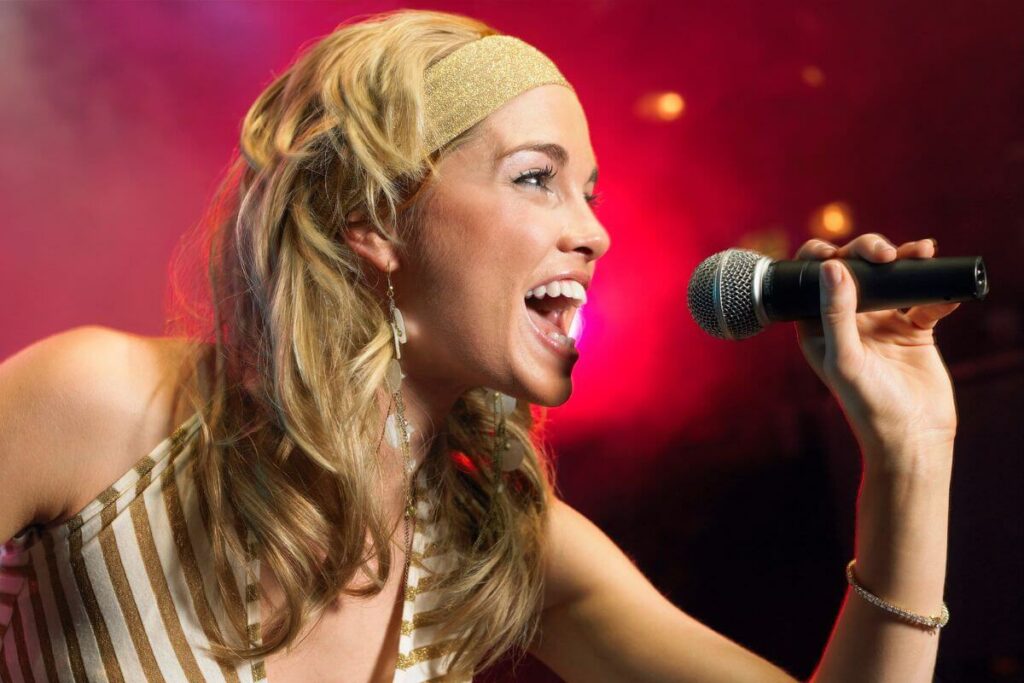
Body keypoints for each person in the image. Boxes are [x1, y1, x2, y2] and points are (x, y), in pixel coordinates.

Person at [0, 8, 961, 683]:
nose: (594, 232)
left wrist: (912, 452)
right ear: (371, 214)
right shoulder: (95, 403)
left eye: (591, 191)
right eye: (537, 178)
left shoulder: (501, 539)